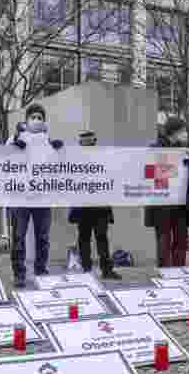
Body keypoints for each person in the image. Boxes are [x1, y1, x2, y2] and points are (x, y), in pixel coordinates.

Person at [7, 103, 64, 287]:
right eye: (34, 117)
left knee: (43, 237)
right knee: (18, 237)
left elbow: (57, 168)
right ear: (27, 120)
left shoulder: (48, 141)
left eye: (40, 117)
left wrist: (58, 151)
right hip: (20, 198)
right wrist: (14, 145)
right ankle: (19, 273)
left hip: (42, 197)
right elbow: (3, 160)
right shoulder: (15, 138)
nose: (37, 120)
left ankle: (41, 271)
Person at [144, 117, 189, 268]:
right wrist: (179, 153)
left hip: (181, 203)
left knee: (181, 240)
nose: (186, 135)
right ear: (175, 132)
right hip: (162, 203)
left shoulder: (185, 151)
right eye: (183, 131)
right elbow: (151, 171)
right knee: (164, 239)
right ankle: (164, 271)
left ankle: (178, 270)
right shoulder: (155, 147)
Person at [68, 130, 120, 280]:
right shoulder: (75, 160)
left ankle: (104, 269)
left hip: (99, 206)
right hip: (84, 205)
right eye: (85, 142)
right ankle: (87, 269)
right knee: (86, 238)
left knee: (100, 237)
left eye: (90, 142)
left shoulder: (103, 158)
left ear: (94, 142)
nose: (88, 144)